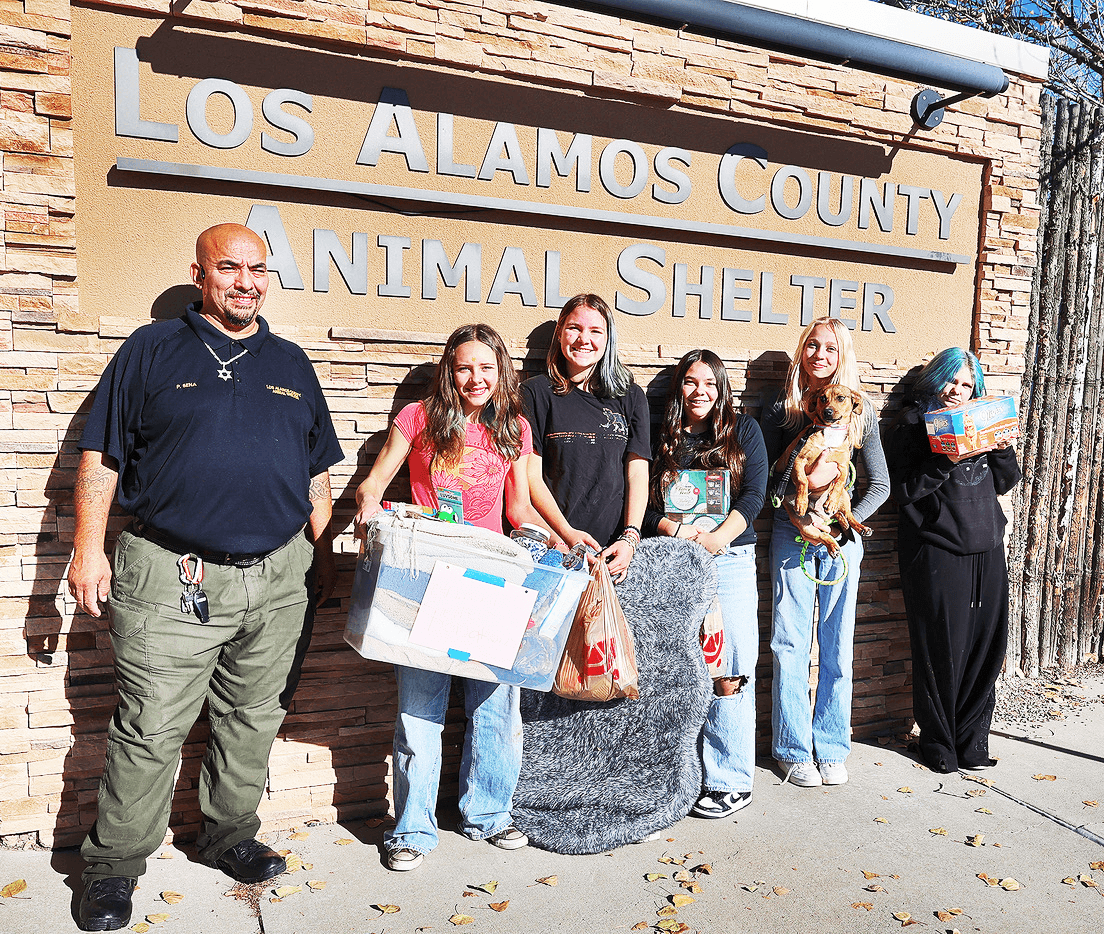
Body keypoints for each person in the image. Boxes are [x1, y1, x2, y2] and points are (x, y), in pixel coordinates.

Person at [67, 224, 343, 931]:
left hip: (279, 578)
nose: (246, 280)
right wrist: (88, 550)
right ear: (200, 273)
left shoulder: (291, 361)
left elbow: (317, 472)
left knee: (251, 720)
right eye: (229, 267)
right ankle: (113, 867)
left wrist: (328, 553)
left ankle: (228, 836)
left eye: (257, 268)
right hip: (169, 574)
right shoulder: (151, 350)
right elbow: (102, 456)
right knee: (149, 728)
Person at [353, 323, 549, 872]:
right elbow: (375, 482)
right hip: (423, 582)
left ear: (501, 371)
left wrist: (564, 539)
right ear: (449, 369)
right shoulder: (418, 418)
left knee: (495, 708)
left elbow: (519, 511)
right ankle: (413, 827)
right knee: (420, 711)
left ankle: (488, 814)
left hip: (491, 584)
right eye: (465, 367)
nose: (476, 378)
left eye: (486, 367)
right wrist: (367, 511)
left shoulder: (514, 428)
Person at [761, 317, 889, 788]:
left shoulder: (862, 413)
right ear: (801, 352)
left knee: (837, 647)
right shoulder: (782, 408)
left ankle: (832, 748)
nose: (820, 355)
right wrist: (798, 516)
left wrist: (839, 517)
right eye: (811, 345)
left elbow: (881, 484)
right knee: (790, 644)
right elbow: (768, 481)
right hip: (791, 535)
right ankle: (793, 750)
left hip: (840, 541)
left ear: (843, 356)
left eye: (830, 348)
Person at [643, 350, 768, 818]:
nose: (700, 392)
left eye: (710, 384)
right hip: (675, 559)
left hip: (730, 557)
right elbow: (644, 505)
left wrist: (716, 539)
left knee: (729, 666)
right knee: (678, 666)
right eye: (691, 383)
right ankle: (680, 776)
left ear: (723, 388)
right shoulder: (665, 438)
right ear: (679, 388)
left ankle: (730, 780)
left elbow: (755, 494)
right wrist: (678, 531)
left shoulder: (744, 431)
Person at [884, 348, 1021, 774]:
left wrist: (1000, 449)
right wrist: (945, 459)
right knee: (942, 647)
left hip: (987, 544)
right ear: (934, 381)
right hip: (936, 548)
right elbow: (903, 491)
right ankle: (938, 742)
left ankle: (973, 742)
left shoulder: (980, 417)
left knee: (986, 645)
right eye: (951, 381)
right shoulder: (911, 425)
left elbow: (1007, 481)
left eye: (966, 384)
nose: (957, 391)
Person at [522, 294, 651, 581]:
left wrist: (630, 538)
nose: (584, 339)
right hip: (553, 549)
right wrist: (567, 537)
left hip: (613, 554)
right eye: (574, 328)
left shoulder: (629, 396)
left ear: (608, 340)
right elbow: (531, 477)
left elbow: (637, 473)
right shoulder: (536, 393)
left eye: (596, 331)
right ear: (559, 332)